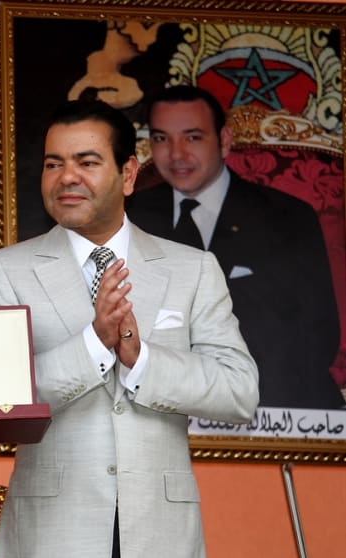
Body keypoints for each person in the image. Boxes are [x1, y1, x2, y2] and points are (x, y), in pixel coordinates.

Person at [0, 99, 258, 558]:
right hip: (52, 533)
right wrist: (94, 344)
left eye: (87, 162)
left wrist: (140, 358)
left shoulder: (193, 269)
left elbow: (239, 391)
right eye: (54, 164)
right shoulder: (7, 270)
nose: (68, 177)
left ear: (128, 174)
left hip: (160, 533)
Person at [128, 85, 344, 409]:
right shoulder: (129, 217)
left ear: (225, 141)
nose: (176, 154)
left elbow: (318, 337)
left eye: (193, 137)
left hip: (268, 400)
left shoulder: (288, 217)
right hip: (159, 401)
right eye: (161, 139)